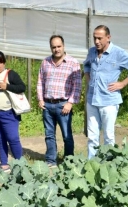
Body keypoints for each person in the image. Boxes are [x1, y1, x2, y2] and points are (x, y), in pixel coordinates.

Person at [83, 25, 128, 159]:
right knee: (92, 136)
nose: (96, 41)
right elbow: (86, 64)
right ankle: (91, 163)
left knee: (108, 136)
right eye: (95, 38)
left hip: (109, 101)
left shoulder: (118, 53)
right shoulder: (92, 51)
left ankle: (108, 164)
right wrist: (88, 77)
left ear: (108, 37)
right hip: (92, 99)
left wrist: (123, 83)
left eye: (100, 38)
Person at [37, 35, 82, 168]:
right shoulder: (45, 62)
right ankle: (51, 160)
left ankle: (68, 161)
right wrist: (40, 99)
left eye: (59, 46)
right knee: (49, 134)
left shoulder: (73, 63)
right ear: (50, 47)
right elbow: (40, 82)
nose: (56, 49)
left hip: (64, 105)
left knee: (67, 135)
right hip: (48, 104)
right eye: (53, 47)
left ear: (63, 46)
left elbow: (77, 85)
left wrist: (70, 102)